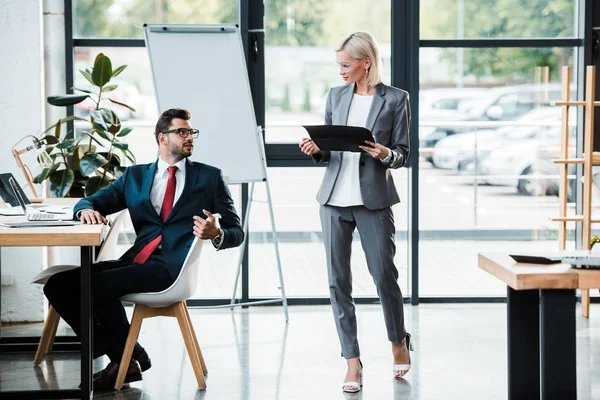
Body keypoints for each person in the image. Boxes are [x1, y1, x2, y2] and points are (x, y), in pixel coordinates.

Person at [44, 108, 244, 390]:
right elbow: (90, 201)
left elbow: (237, 232)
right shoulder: (135, 177)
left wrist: (217, 233)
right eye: (182, 132)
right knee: (57, 284)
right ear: (163, 138)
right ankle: (125, 353)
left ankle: (124, 360)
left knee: (96, 285)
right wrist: (85, 212)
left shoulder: (209, 178)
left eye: (191, 132)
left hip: (170, 268)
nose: (190, 138)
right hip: (138, 260)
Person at [299, 31, 412, 393]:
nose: (341, 71)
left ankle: (398, 341)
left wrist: (385, 155)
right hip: (333, 200)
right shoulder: (335, 96)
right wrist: (315, 150)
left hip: (374, 200)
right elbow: (329, 152)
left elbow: (403, 153)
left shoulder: (396, 99)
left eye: (346, 65)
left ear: (367, 62)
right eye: (338, 65)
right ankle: (352, 361)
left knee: (383, 276)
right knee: (338, 282)